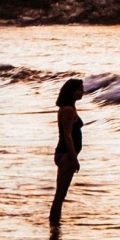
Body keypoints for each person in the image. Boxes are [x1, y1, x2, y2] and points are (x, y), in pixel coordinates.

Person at [49, 77, 85, 226]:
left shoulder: (68, 108)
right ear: (71, 92)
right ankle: (54, 226)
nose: (82, 92)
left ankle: (54, 226)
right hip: (66, 156)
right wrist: (74, 158)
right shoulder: (68, 110)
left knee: (60, 195)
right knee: (60, 195)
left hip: (65, 155)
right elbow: (67, 136)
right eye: (79, 90)